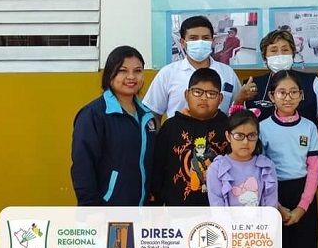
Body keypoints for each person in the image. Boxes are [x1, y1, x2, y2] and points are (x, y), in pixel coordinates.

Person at [71, 45, 157, 206]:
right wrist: (91, 208)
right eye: (123, 71)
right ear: (110, 73)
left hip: (141, 211)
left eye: (138, 71)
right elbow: (83, 166)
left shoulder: (147, 117)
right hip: (105, 211)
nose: (131, 77)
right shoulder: (93, 115)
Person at [259, 70, 318, 248]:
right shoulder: (262, 128)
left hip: (304, 195)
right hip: (273, 195)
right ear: (271, 96)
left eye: (294, 92)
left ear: (301, 95)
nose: (288, 97)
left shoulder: (309, 127)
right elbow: (260, 170)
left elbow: (314, 169)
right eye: (282, 92)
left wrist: (302, 207)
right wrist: (276, 205)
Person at [235, 30, 318, 149]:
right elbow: (238, 124)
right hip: (262, 156)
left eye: (285, 50)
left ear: (293, 53)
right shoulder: (252, 85)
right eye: (273, 51)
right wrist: (240, 99)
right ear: (264, 57)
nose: (280, 55)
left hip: (303, 154)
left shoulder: (311, 82)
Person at [150, 68, 229, 206]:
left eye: (211, 94)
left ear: (220, 98)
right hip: (177, 212)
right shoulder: (171, 127)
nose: (204, 98)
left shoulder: (228, 128)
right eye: (197, 92)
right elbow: (158, 169)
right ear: (186, 95)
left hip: (218, 212)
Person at [143, 15, 247, 120]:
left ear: (212, 41)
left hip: (220, 135)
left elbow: (238, 111)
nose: (200, 42)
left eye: (205, 38)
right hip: (178, 135)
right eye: (193, 38)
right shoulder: (167, 73)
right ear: (183, 43)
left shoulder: (227, 73)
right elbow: (154, 113)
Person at [207, 109, 277, 207]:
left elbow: (271, 207)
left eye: (251, 135)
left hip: (261, 222)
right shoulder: (216, 169)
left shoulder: (267, 167)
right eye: (239, 135)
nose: (245, 142)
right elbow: (217, 208)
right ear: (228, 136)